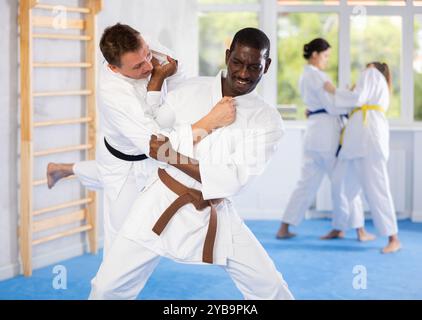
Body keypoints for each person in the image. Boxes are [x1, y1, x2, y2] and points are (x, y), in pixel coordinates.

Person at [89, 27, 294, 300]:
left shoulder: (267, 121)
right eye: (238, 62)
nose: (244, 73)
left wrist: (171, 155)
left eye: (254, 66)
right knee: (106, 287)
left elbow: (232, 179)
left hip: (214, 209)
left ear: (266, 66)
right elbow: (156, 133)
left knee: (270, 286)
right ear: (227, 56)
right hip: (159, 201)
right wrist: (164, 89)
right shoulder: (191, 89)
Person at [47, 23, 236, 257]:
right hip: (123, 161)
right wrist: (210, 121)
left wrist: (166, 73)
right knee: (121, 241)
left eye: (148, 55)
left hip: (144, 154)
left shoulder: (142, 44)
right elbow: (156, 145)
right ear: (114, 69)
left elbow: (180, 73)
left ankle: (64, 169)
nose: (148, 64)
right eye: (138, 66)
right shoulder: (114, 94)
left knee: (117, 179)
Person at [276, 38, 374, 241]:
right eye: (326, 55)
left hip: (314, 134)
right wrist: (351, 97)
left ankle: (284, 227)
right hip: (327, 136)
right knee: (344, 180)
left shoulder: (306, 75)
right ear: (315, 55)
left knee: (306, 183)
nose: (327, 60)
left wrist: (340, 95)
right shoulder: (317, 76)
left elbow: (323, 103)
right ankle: (358, 230)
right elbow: (332, 106)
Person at [323, 62, 401, 253]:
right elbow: (358, 99)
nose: (364, 67)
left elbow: (358, 98)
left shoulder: (371, 72)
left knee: (377, 187)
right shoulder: (374, 81)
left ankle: (393, 238)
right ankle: (340, 226)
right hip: (356, 140)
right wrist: (348, 95)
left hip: (368, 139)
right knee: (340, 184)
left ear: (374, 66)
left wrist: (335, 91)